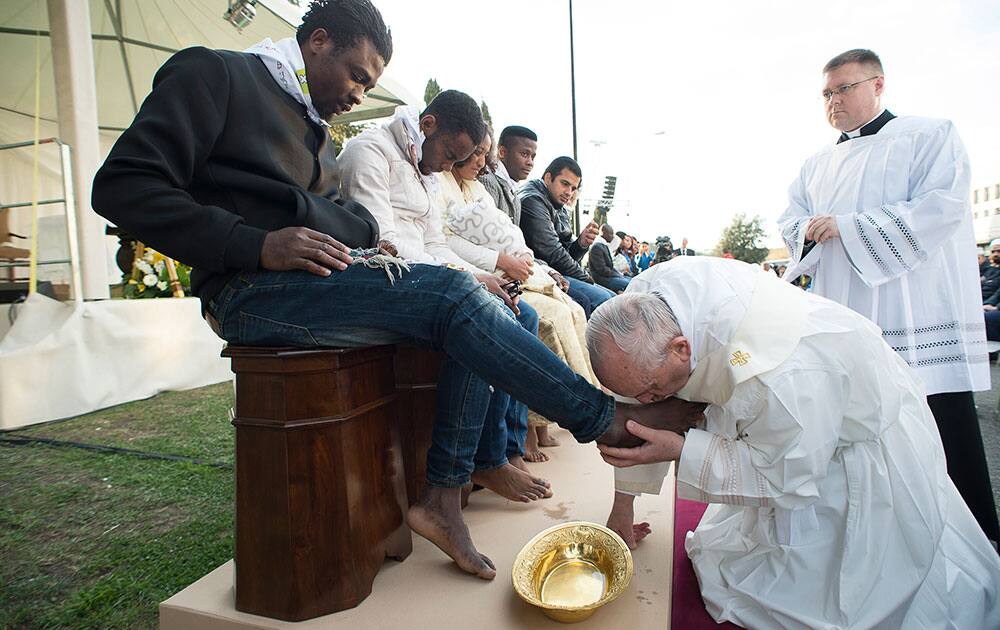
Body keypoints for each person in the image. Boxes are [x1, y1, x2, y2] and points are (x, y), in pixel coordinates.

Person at [90, 0, 699, 582]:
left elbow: (334, 215)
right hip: (250, 290)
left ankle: (444, 495)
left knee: (479, 306)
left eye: (368, 82)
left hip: (314, 279)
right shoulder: (216, 74)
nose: (359, 94)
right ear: (316, 40)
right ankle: (602, 421)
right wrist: (256, 244)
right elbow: (121, 188)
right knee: (455, 297)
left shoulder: (311, 125)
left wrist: (363, 243)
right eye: (356, 75)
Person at [590, 257, 1000, 629]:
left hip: (845, 445)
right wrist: (623, 502)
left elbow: (787, 475)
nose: (645, 404)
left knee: (835, 595)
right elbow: (633, 393)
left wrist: (682, 449)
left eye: (652, 393)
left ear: (682, 349)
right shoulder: (646, 306)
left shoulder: (781, 376)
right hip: (787, 424)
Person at [777, 48, 998, 544]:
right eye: (827, 93)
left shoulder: (929, 135)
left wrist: (850, 228)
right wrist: (807, 232)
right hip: (846, 308)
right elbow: (791, 220)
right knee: (861, 427)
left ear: (878, 85)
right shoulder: (816, 163)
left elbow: (940, 208)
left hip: (914, 310)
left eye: (845, 88)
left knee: (938, 424)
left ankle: (976, 541)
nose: (833, 100)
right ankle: (881, 540)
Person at [337, 93, 549, 499]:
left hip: (430, 277)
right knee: (478, 316)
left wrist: (483, 276)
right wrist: (468, 280)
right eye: (451, 155)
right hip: (386, 280)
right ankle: (469, 467)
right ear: (428, 125)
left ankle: (494, 455)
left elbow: (437, 244)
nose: (449, 168)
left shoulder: (428, 172)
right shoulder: (369, 152)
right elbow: (386, 246)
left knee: (520, 315)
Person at [434, 126, 597, 463]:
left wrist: (523, 259)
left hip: (511, 272)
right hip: (479, 275)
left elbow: (515, 238)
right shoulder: (441, 183)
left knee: (572, 309)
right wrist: (502, 262)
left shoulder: (480, 187)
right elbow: (441, 240)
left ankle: (553, 421)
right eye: (476, 152)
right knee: (537, 316)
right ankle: (517, 443)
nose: (481, 161)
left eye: (484, 154)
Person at [519, 157, 614, 316]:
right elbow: (554, 254)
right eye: (565, 184)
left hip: (555, 271)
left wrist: (581, 244)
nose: (569, 193)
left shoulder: (557, 202)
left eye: (573, 188)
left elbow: (565, 254)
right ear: (548, 178)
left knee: (611, 298)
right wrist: (588, 279)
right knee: (605, 300)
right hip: (539, 273)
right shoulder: (533, 200)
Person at [479, 125, 536, 225]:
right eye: (524, 154)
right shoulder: (487, 180)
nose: (530, 162)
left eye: (533, 157)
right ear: (502, 152)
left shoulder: (516, 197)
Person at [589, 225, 630, 293]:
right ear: (603, 233)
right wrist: (617, 275)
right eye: (611, 234)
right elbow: (601, 270)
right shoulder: (597, 247)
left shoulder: (603, 245)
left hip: (608, 276)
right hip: (602, 279)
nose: (613, 236)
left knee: (632, 281)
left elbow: (610, 267)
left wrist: (619, 275)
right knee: (628, 284)